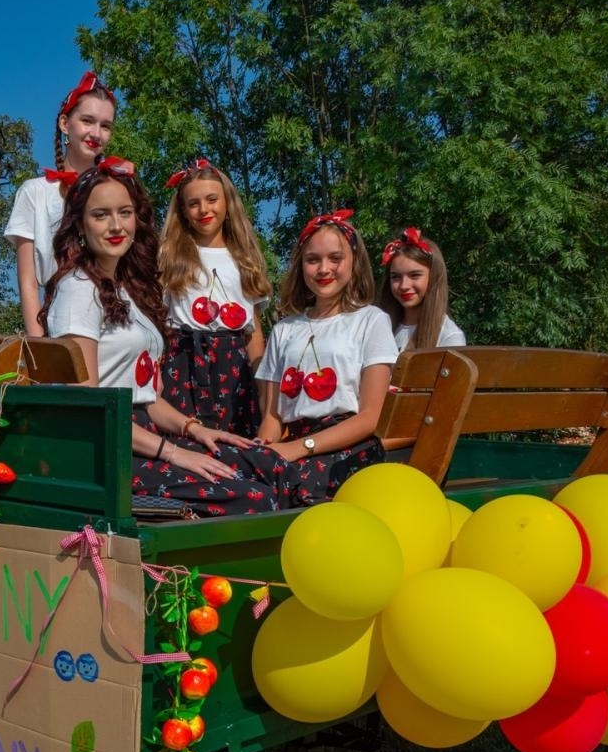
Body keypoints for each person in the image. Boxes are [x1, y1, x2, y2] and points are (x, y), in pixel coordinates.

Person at [40, 157, 285, 516]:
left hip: (144, 431)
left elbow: (146, 397)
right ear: (79, 223)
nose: (115, 226)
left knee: (267, 465)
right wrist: (174, 452)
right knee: (254, 498)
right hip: (108, 452)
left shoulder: (125, 289)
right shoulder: (78, 290)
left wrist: (194, 428)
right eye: (100, 215)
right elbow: (90, 409)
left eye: (124, 213)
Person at [255, 210, 397, 504]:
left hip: (348, 445)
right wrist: (264, 450)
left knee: (287, 491)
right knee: (244, 478)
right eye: (313, 260)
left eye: (335, 258)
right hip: (293, 441)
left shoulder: (371, 321)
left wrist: (300, 447)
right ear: (301, 266)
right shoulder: (284, 329)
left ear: (354, 263)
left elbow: (370, 416)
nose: (323, 268)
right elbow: (273, 416)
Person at [158, 158, 273, 437]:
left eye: (212, 199)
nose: (203, 209)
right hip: (183, 360)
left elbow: (253, 329)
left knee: (237, 438)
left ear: (227, 202)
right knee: (187, 440)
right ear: (183, 211)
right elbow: (161, 322)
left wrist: (260, 382)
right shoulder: (169, 255)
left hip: (234, 364)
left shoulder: (244, 257)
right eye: (193, 203)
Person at [5, 72, 117, 338]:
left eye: (105, 125)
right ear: (65, 124)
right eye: (87, 121)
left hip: (116, 318)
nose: (96, 133)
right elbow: (29, 281)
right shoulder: (35, 192)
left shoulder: (118, 191)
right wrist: (39, 345)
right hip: (60, 321)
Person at [377, 226, 466, 351]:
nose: (404, 286)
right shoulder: (380, 326)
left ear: (434, 277)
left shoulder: (449, 337)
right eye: (396, 277)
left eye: (415, 275)